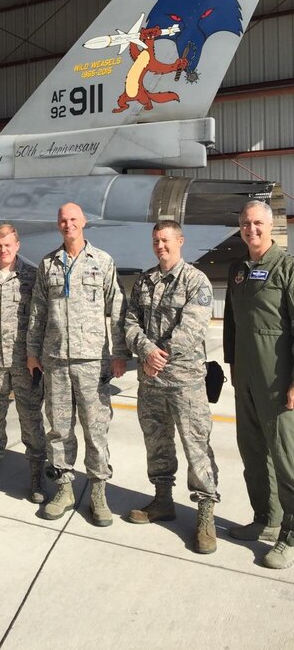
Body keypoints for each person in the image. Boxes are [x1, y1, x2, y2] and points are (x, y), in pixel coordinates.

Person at [27, 202, 128, 524]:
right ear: (58, 225)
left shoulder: (102, 261)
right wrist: (32, 351)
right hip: (55, 359)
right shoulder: (48, 264)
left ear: (83, 222)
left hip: (92, 359)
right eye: (63, 220)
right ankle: (65, 488)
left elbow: (117, 308)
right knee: (58, 428)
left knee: (95, 429)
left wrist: (119, 353)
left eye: (73, 219)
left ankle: (98, 492)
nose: (68, 224)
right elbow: (38, 311)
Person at [124, 220, 219, 554]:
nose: (160, 245)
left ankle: (205, 514)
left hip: (184, 382)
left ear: (180, 241)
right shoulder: (144, 281)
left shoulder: (196, 281)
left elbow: (191, 329)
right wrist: (146, 352)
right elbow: (130, 322)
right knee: (157, 443)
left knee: (196, 447)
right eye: (155, 240)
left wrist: (157, 355)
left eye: (165, 240)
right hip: (150, 380)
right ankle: (163, 501)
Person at [224, 200, 294, 569]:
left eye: (257, 223)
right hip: (247, 375)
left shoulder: (286, 267)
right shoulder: (239, 269)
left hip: (277, 377)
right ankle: (267, 519)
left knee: (285, 457)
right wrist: (232, 362)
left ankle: (290, 535)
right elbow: (232, 322)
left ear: (270, 226)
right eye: (245, 224)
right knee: (252, 451)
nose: (251, 230)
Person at [0, 224, 47, 503]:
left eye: (8, 245)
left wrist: (35, 354)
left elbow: (40, 319)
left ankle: (37, 475)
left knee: (31, 419)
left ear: (17, 246)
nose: (3, 250)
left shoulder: (31, 277)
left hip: (25, 362)